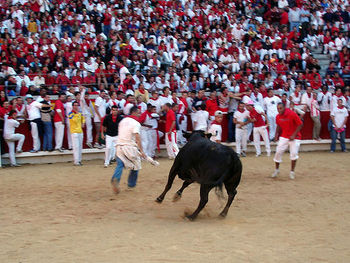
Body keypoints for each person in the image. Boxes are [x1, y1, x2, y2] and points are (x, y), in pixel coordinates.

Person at [110, 106, 146, 194]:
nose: (139, 114)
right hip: (129, 147)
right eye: (138, 112)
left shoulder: (122, 121)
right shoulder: (136, 123)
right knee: (136, 164)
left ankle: (116, 178)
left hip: (119, 145)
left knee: (120, 165)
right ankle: (131, 184)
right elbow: (137, 137)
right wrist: (141, 151)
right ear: (134, 112)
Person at [272, 103, 303, 180]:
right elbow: (278, 125)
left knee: (293, 154)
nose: (279, 110)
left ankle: (292, 172)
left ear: (284, 108)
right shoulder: (278, 116)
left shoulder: (292, 114)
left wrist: (294, 135)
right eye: (278, 108)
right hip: (284, 136)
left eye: (280, 108)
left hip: (295, 137)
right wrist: (276, 135)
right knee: (278, 152)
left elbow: (300, 124)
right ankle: (276, 170)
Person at [68, 101, 85, 166]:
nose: (76, 107)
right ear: (73, 106)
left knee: (80, 147)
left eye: (77, 105)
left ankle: (79, 160)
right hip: (74, 132)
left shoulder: (79, 113)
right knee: (76, 147)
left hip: (80, 131)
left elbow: (83, 119)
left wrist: (83, 123)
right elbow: (74, 120)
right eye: (75, 105)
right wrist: (77, 114)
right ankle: (76, 161)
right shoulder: (71, 113)